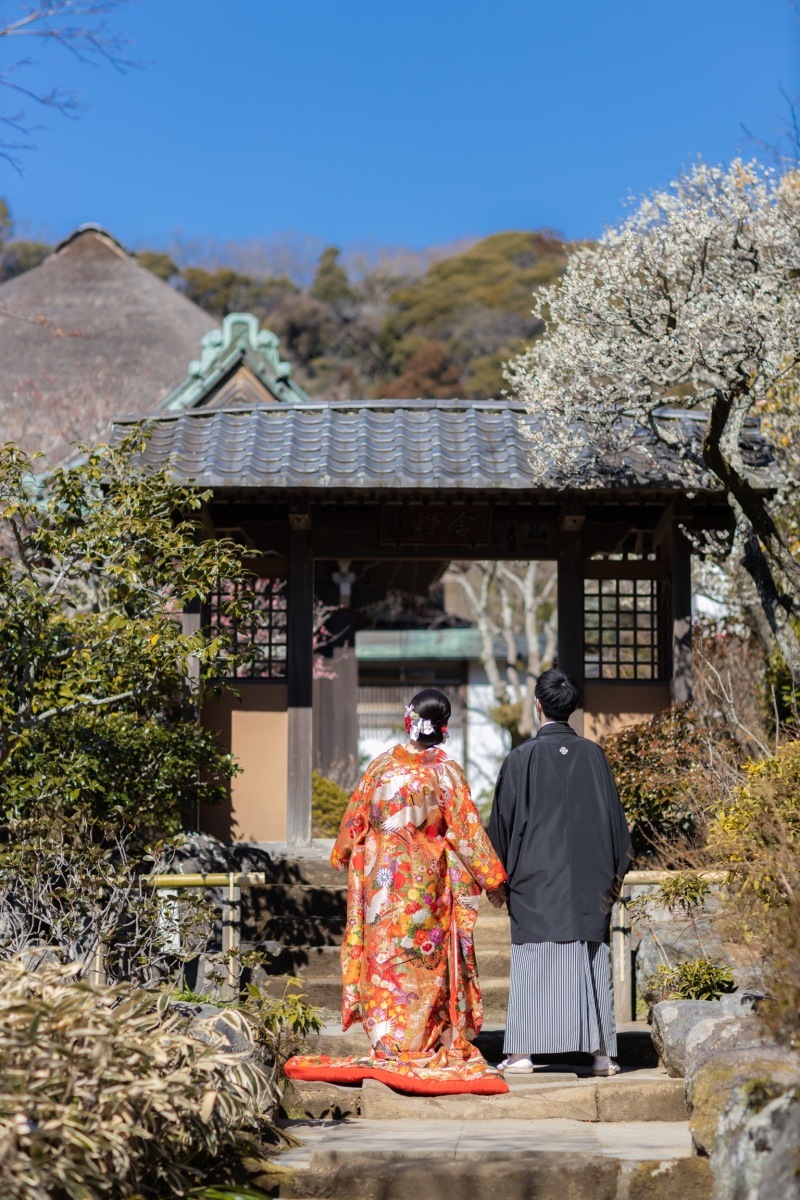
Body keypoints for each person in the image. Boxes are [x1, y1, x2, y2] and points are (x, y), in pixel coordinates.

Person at [284, 688, 510, 1096]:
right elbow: (467, 831)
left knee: (385, 963)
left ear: (409, 720)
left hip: (382, 888)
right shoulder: (446, 772)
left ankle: (388, 1043)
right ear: (443, 727)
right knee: (424, 965)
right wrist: (492, 879)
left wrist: (344, 852)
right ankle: (422, 1043)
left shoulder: (381, 767)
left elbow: (354, 821)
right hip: (424, 888)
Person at [488, 667, 632, 1077]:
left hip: (535, 879)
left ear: (538, 705)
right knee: (591, 959)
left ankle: (522, 1054)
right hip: (590, 879)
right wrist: (613, 877)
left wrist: (496, 880)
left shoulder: (521, 758)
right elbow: (616, 826)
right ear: (572, 707)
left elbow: (501, 823)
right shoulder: (594, 756)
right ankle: (602, 1056)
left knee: (533, 960)